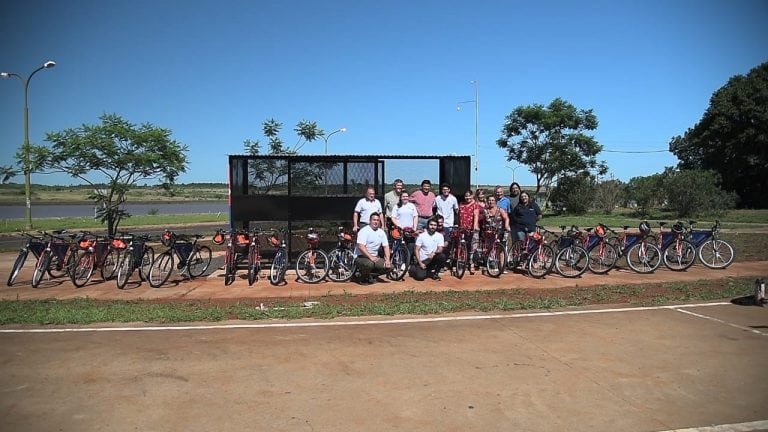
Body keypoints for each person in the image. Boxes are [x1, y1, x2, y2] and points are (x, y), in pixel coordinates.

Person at [353, 212, 391, 285]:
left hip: (374, 258)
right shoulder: (364, 231)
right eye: (374, 220)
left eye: (377, 220)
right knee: (369, 264)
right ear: (370, 221)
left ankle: (370, 276)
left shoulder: (381, 232)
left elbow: (386, 247)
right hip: (361, 257)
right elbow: (361, 247)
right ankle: (362, 277)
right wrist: (371, 257)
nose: (376, 222)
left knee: (390, 267)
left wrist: (388, 260)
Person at [410, 217, 447, 281]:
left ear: (437, 226)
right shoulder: (421, 236)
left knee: (442, 256)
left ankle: (435, 273)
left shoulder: (440, 236)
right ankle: (414, 268)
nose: (432, 227)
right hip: (423, 261)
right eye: (431, 225)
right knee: (420, 277)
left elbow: (440, 248)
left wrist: (434, 253)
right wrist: (420, 263)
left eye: (435, 225)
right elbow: (416, 250)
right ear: (428, 225)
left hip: (432, 259)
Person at [458, 189, 481, 274]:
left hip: (472, 229)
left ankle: (471, 264)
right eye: (466, 196)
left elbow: (476, 215)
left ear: (472, 196)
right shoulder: (461, 204)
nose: (467, 197)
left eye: (469, 196)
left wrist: (475, 226)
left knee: (473, 247)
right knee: (463, 246)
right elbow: (459, 216)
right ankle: (462, 263)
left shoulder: (475, 205)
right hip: (463, 228)